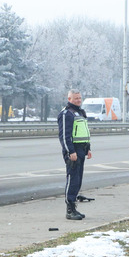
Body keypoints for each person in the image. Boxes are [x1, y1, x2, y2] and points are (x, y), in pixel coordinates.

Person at [58, 89, 93, 220]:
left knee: (78, 180)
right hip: (73, 151)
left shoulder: (80, 113)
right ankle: (69, 209)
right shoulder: (66, 114)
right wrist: (70, 151)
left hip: (81, 150)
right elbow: (64, 136)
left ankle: (74, 208)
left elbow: (84, 133)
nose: (78, 100)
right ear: (69, 99)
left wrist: (88, 148)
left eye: (79, 98)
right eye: (75, 98)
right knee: (72, 179)